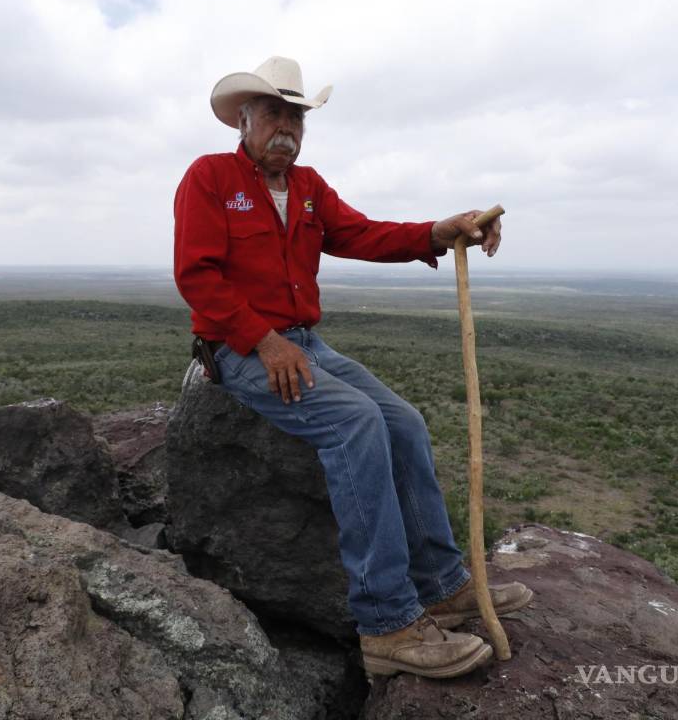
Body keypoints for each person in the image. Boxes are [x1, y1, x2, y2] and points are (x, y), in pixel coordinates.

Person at [172, 56, 533, 680]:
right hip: (240, 349)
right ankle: (386, 623)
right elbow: (196, 275)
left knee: (404, 421)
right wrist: (264, 342)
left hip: (305, 343)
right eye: (274, 114)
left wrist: (440, 232)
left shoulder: (309, 187)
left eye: (296, 117)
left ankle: (442, 586)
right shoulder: (209, 178)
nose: (287, 127)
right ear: (244, 119)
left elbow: (364, 235)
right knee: (356, 423)